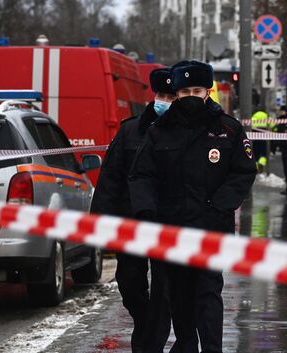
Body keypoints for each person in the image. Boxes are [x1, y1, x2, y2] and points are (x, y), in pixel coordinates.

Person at [128, 60, 257, 353]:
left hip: (212, 227)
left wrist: (219, 207)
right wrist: (147, 211)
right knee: (179, 295)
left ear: (207, 91)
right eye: (184, 91)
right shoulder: (159, 131)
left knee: (208, 293)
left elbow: (243, 171)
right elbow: (141, 175)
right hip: (171, 228)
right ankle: (186, 344)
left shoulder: (227, 129)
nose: (190, 96)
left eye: (196, 90)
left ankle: (212, 349)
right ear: (177, 92)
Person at [90, 68, 176, 353]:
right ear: (154, 96)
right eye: (162, 96)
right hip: (131, 223)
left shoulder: (185, 133)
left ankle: (149, 344)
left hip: (167, 225)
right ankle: (146, 322)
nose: (166, 101)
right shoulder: (131, 130)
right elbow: (110, 179)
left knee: (164, 290)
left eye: (171, 97)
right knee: (129, 283)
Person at [251, 108, 270, 174]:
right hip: (264, 138)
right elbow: (272, 125)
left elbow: (250, 125)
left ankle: (256, 167)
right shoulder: (266, 116)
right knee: (263, 152)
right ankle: (261, 164)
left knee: (255, 152)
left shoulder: (254, 116)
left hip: (255, 138)